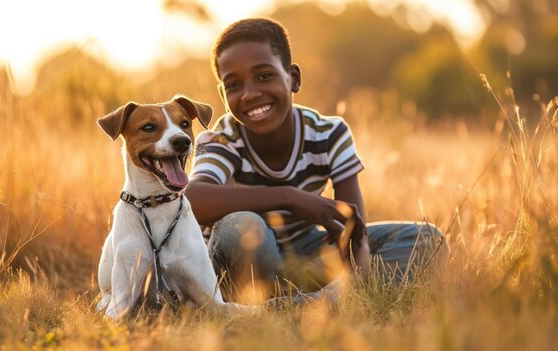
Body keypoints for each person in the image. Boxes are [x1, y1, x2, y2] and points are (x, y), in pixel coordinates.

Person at [186, 17, 442, 303]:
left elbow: (353, 230)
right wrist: (289, 197)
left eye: (264, 76)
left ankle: (304, 302)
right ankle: (261, 302)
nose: (250, 94)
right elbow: (192, 199)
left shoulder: (329, 133)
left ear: (293, 78)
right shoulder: (220, 138)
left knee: (426, 240)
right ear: (223, 94)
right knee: (242, 227)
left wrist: (347, 285)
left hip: (304, 257)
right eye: (233, 84)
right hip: (242, 264)